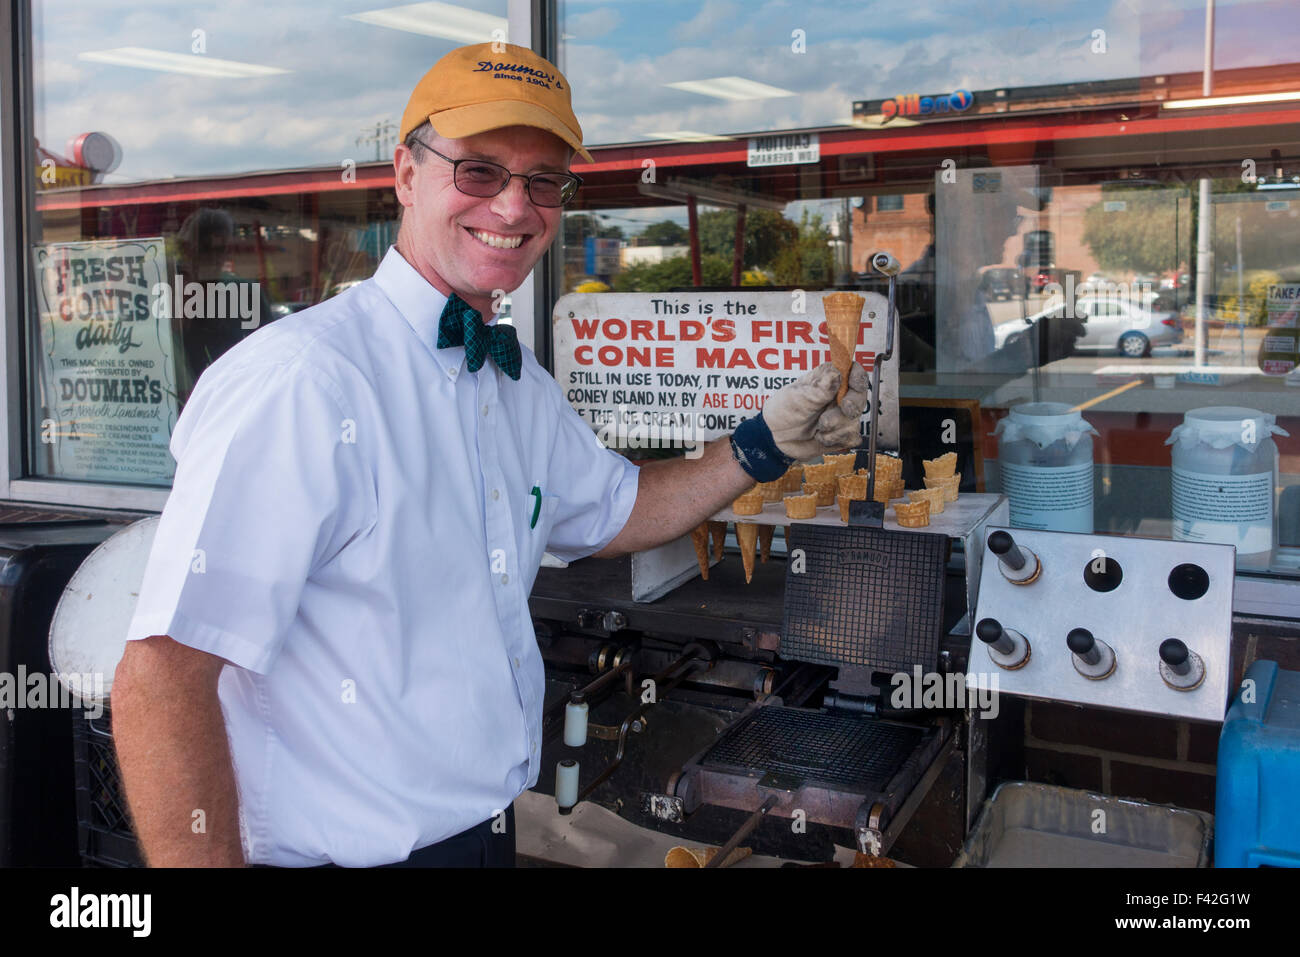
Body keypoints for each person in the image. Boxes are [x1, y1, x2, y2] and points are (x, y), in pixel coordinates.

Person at [111, 42, 868, 868]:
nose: (514, 207)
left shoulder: (513, 382)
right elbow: (162, 678)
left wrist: (764, 444)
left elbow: (620, 507)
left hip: (486, 833)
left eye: (544, 181)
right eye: (478, 171)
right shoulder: (303, 384)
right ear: (405, 174)